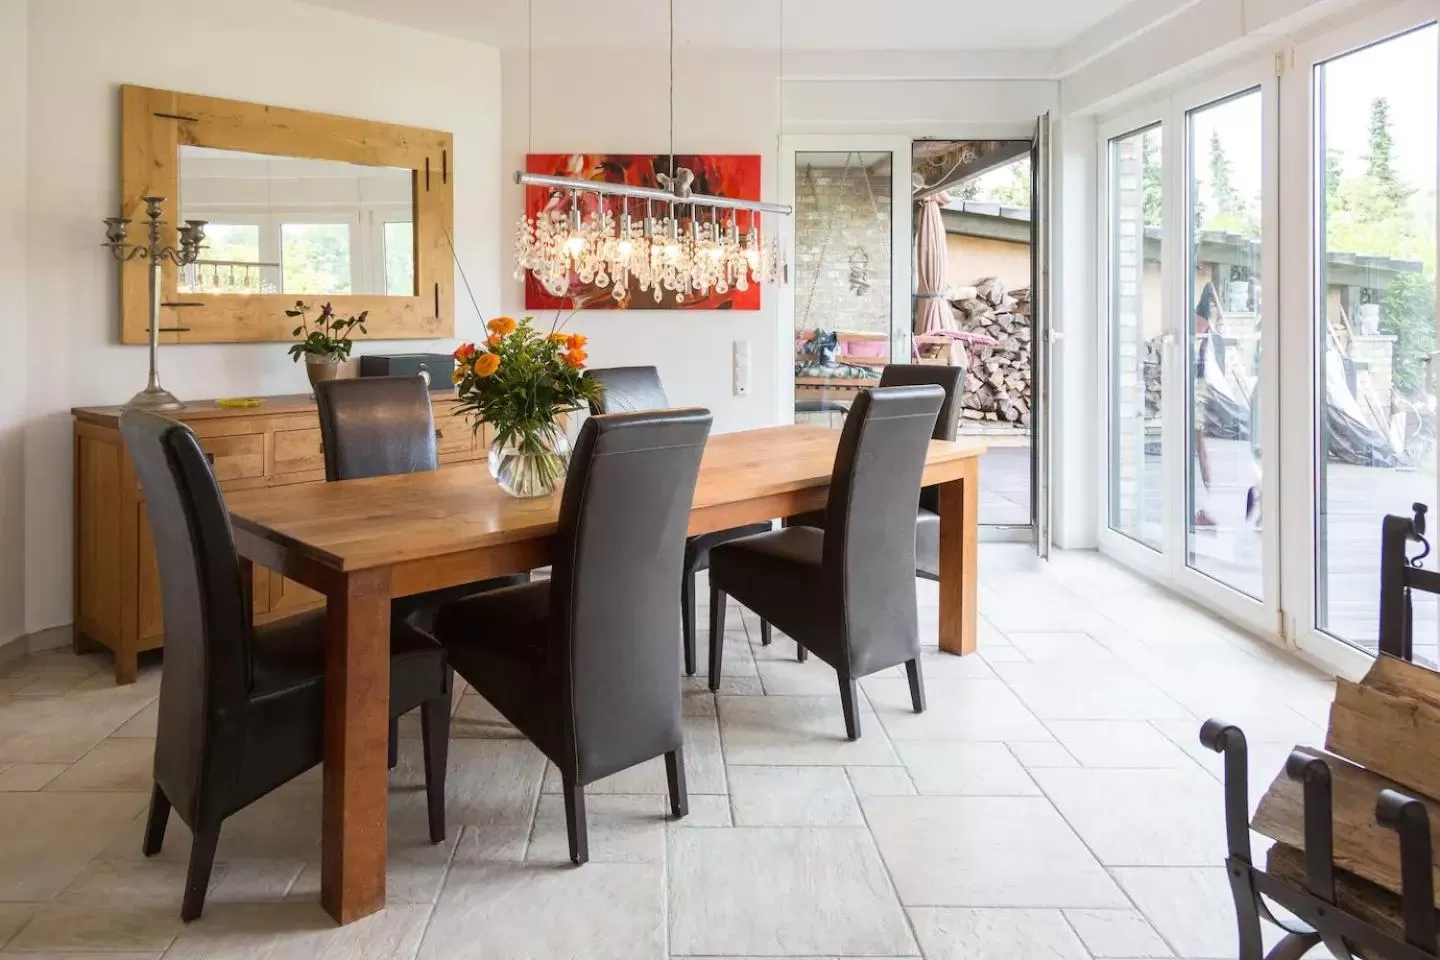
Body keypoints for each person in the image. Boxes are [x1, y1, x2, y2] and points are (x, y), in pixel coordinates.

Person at [1193, 281, 1225, 528]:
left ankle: (1213, 509)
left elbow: (1196, 329)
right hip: (1210, 390)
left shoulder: (1209, 299)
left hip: (1206, 391)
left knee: (1204, 448)